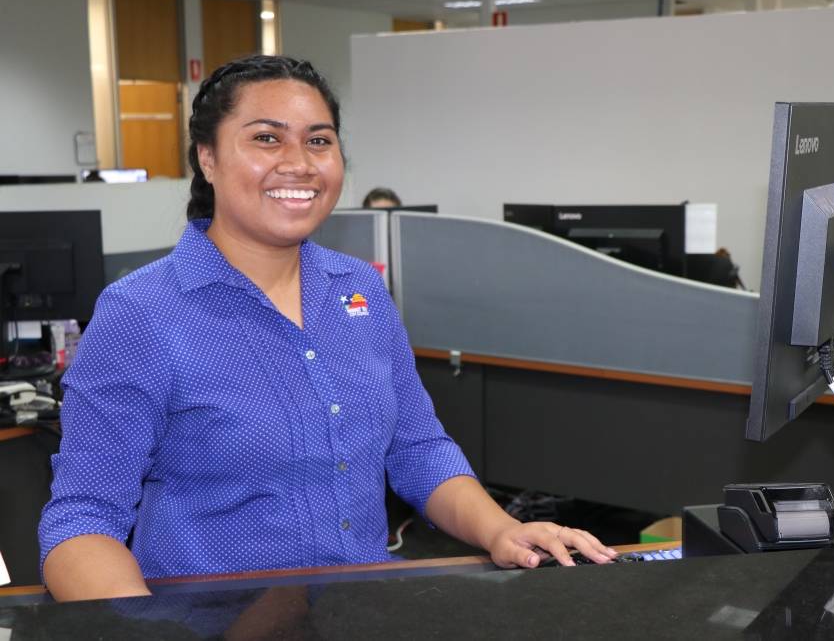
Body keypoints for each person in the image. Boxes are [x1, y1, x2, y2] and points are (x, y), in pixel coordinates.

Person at [39, 55, 615, 602]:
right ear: (207, 158)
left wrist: (501, 531)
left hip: (359, 612)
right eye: (267, 138)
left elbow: (417, 448)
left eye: (318, 140)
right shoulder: (141, 311)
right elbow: (81, 521)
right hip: (211, 624)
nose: (300, 162)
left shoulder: (356, 290)